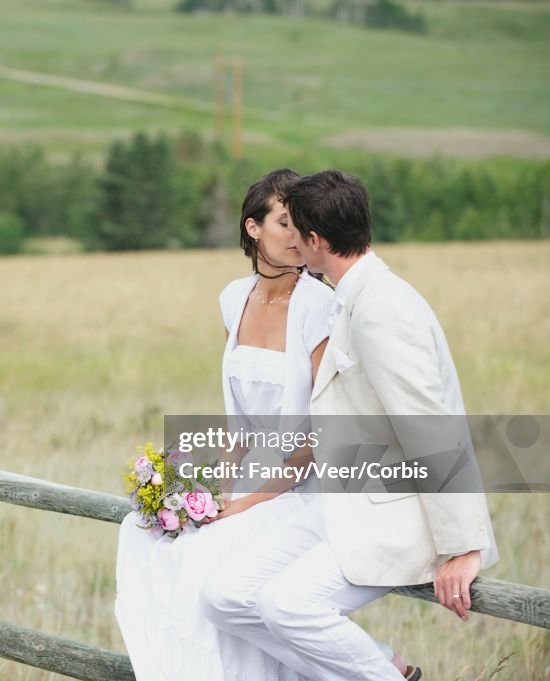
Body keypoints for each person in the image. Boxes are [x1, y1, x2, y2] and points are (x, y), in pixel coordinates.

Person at [199, 169, 498, 680]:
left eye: (299, 231)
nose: (293, 241)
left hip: (393, 510)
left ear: (316, 240)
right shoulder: (349, 294)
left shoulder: (381, 308)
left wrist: (464, 546)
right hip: (339, 499)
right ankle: (380, 666)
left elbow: (429, 428)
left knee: (288, 606)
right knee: (223, 598)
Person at [115, 169, 408, 680]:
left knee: (211, 568)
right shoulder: (233, 298)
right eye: (284, 223)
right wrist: (217, 495)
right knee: (144, 535)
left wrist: (244, 506)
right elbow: (239, 426)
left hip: (309, 487)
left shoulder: (320, 305)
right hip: (253, 484)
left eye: (303, 226)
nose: (297, 237)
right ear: (253, 229)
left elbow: (320, 434)